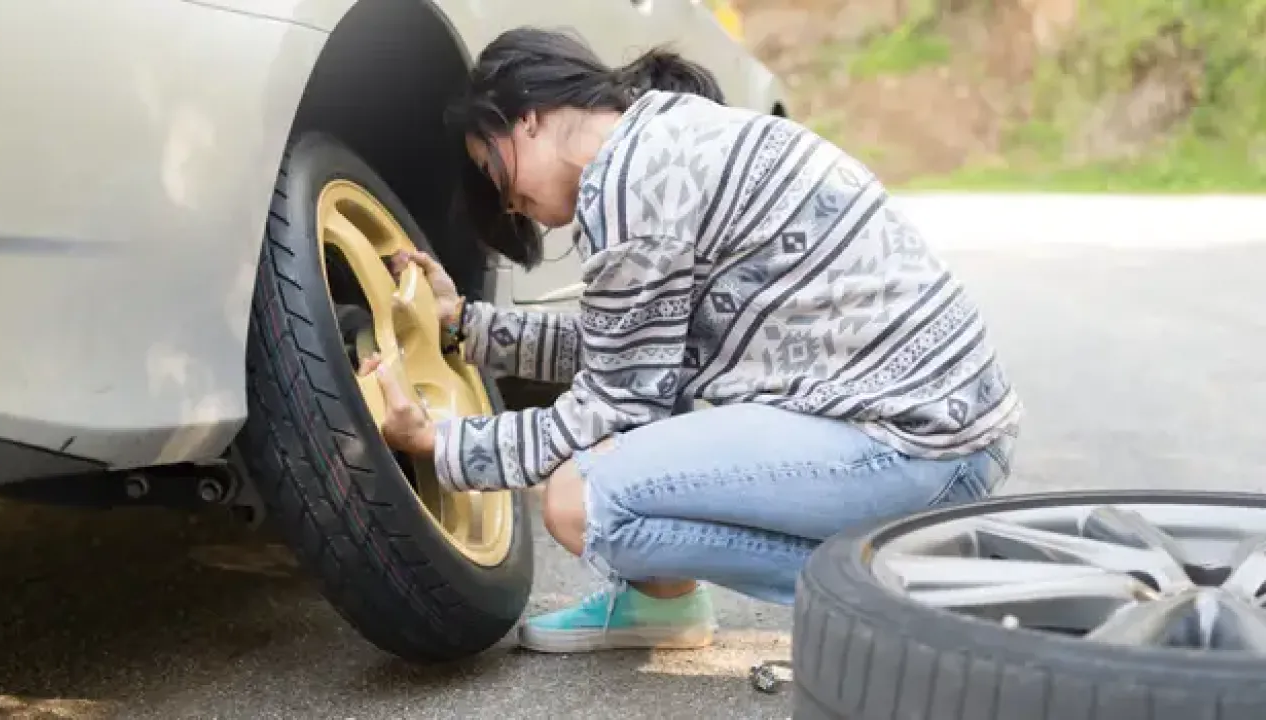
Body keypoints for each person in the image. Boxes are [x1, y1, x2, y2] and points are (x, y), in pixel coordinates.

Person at [358, 27, 1021, 654]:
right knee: (621, 445)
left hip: (913, 448)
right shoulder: (659, 137)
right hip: (948, 432)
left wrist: (442, 444)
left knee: (582, 499)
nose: (504, 203)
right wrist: (468, 326)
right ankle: (664, 603)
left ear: (527, 115)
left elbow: (610, 410)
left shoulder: (628, 189)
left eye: (490, 165)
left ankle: (906, 586)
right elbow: (628, 351)